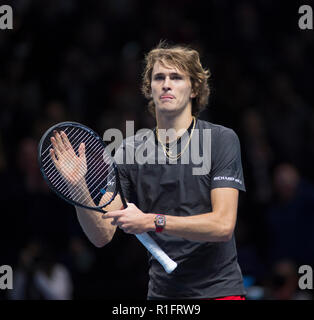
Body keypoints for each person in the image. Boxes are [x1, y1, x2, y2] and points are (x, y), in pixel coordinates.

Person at [50, 42, 246, 299]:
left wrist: (152, 221)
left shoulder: (221, 139)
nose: (166, 84)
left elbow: (222, 226)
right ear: (149, 88)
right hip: (162, 296)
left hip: (220, 291)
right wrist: (79, 190)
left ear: (194, 89)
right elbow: (102, 235)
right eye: (159, 77)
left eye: (176, 77)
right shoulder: (129, 151)